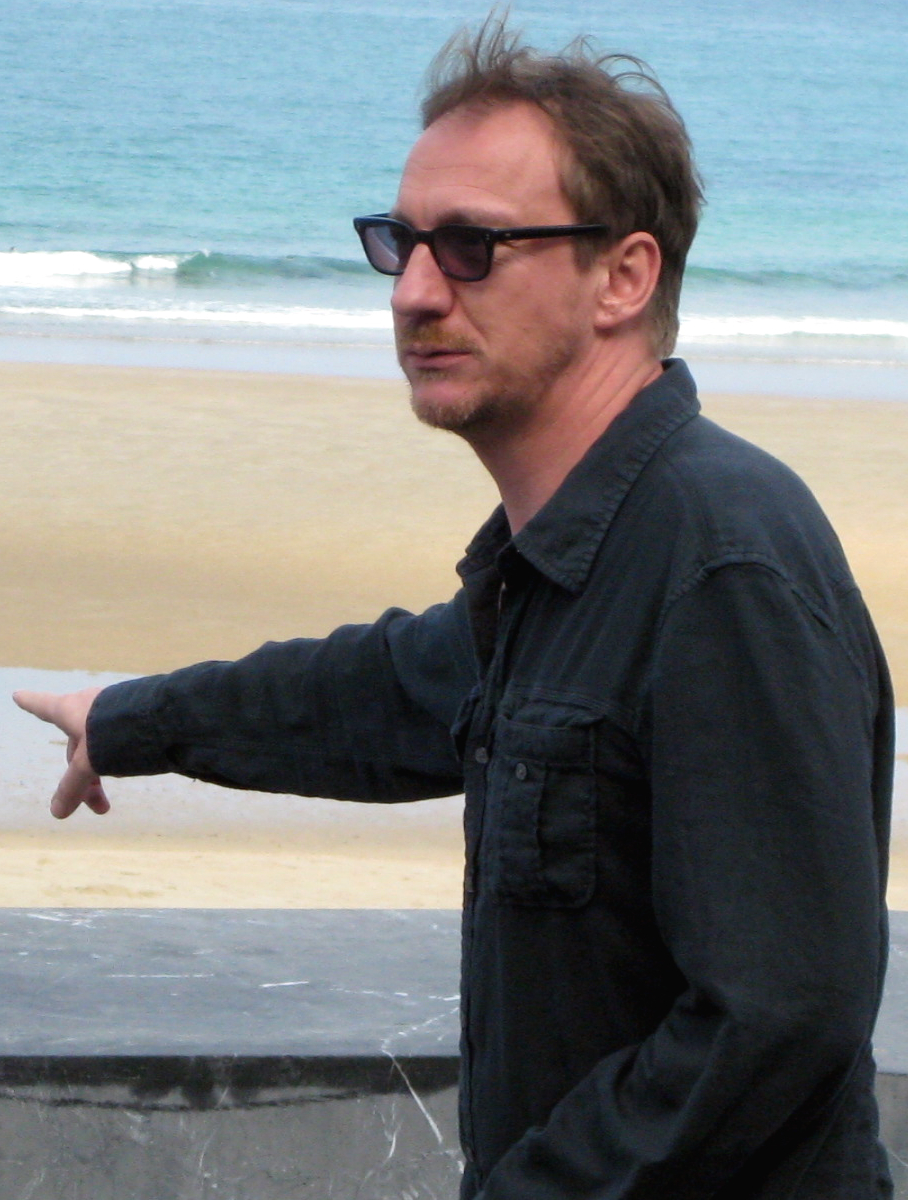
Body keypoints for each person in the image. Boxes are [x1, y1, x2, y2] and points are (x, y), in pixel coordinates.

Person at [14, 20, 894, 1199]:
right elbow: (382, 693)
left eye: (473, 246)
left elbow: (775, 1015)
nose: (415, 291)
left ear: (622, 277)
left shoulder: (719, 565)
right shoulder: (568, 562)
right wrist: (126, 719)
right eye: (401, 242)